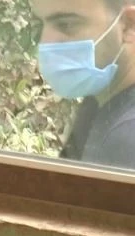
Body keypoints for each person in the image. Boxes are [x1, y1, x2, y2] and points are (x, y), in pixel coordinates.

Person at [32, 0, 135, 169]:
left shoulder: (127, 138)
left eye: (66, 24)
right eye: (40, 24)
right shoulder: (98, 101)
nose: (45, 43)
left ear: (128, 25)